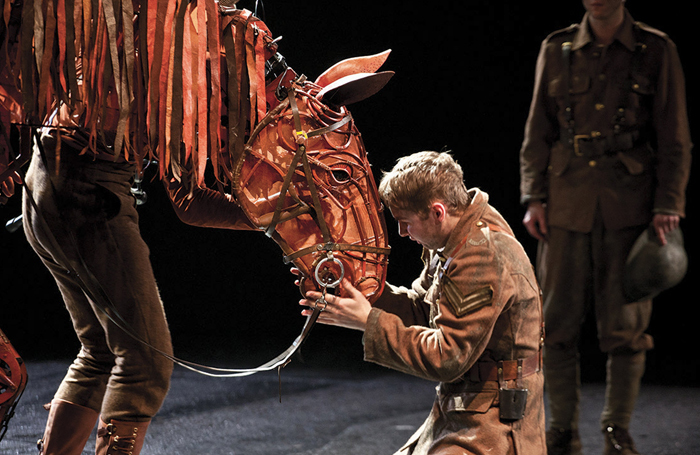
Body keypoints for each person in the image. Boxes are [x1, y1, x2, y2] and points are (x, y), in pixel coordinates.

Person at [519, 1, 692, 454]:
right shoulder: (556, 49)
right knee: (554, 324)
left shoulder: (654, 49)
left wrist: (668, 203)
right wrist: (533, 196)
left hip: (629, 203)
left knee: (625, 327)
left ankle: (616, 429)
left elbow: (674, 137)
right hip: (565, 202)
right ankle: (562, 429)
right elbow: (538, 129)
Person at [300, 151, 546, 454]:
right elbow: (422, 309)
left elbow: (448, 356)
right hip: (466, 404)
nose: (402, 233)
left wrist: (368, 321)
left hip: (497, 420)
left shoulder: (481, 254)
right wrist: (362, 290)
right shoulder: (453, 235)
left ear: (437, 212)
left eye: (405, 222)